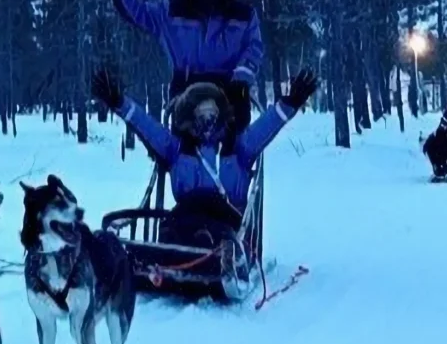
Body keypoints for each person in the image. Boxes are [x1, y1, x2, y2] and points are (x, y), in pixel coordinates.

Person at [92, 64, 315, 249]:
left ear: (221, 115)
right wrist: (118, 102)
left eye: (212, 114)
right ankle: (181, 249)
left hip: (229, 220)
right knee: (174, 225)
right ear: (190, 118)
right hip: (188, 214)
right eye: (201, 115)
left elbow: (266, 126)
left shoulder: (238, 148)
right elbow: (146, 126)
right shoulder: (177, 149)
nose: (207, 120)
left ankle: (213, 250)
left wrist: (290, 103)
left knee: (214, 233)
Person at [104, 0, 266, 128]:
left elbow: (254, 48)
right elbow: (138, 12)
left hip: (232, 89)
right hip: (186, 89)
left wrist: (242, 79)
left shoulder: (243, 15)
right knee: (185, 149)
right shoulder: (171, 12)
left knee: (237, 147)